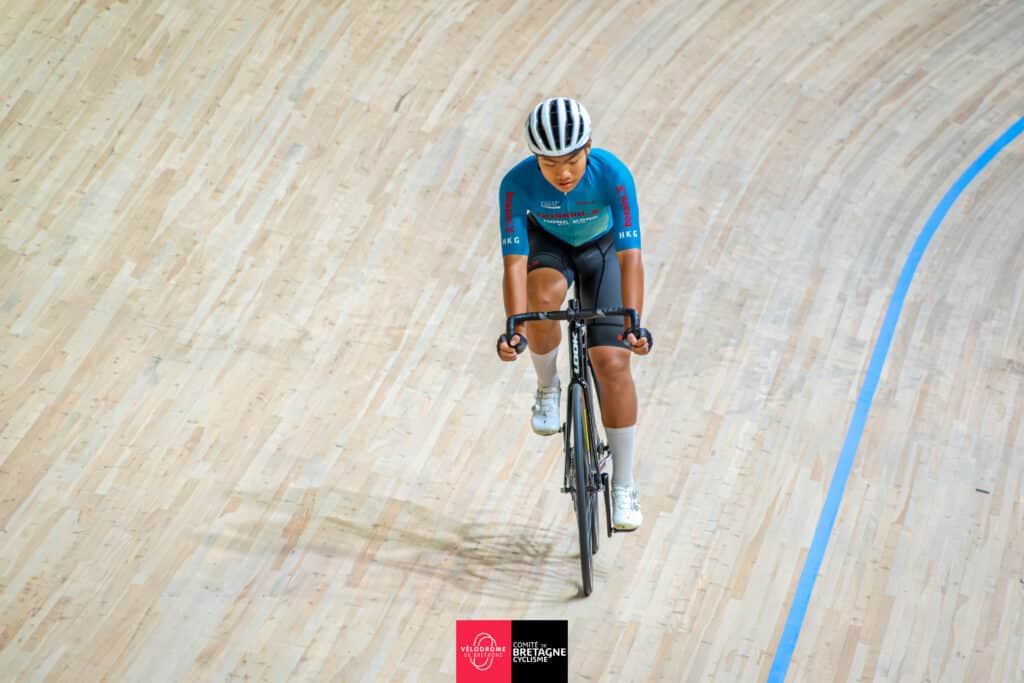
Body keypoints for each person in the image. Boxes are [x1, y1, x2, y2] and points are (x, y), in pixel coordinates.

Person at [495, 97, 651, 531]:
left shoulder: (614, 175)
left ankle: (624, 484)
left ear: (588, 148)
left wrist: (633, 322)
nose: (562, 173)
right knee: (542, 297)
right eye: (549, 164)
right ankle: (548, 385)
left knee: (612, 362)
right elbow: (513, 264)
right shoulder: (515, 184)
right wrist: (515, 327)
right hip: (549, 247)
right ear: (535, 159)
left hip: (603, 251)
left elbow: (631, 256)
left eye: (572, 161)